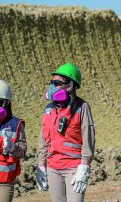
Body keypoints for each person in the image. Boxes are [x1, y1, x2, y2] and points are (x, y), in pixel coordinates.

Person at [36, 63, 95, 202]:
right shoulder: (48, 109)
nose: (52, 87)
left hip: (74, 168)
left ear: (69, 86)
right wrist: (41, 165)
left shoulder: (82, 107)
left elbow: (88, 138)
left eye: (56, 83)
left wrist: (84, 166)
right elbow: (43, 139)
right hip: (53, 168)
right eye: (52, 82)